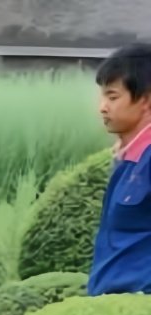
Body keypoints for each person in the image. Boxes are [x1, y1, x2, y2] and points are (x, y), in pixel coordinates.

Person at [89, 44, 151, 296]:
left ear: (146, 100)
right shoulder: (128, 158)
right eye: (103, 97)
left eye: (113, 97)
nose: (102, 107)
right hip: (112, 310)